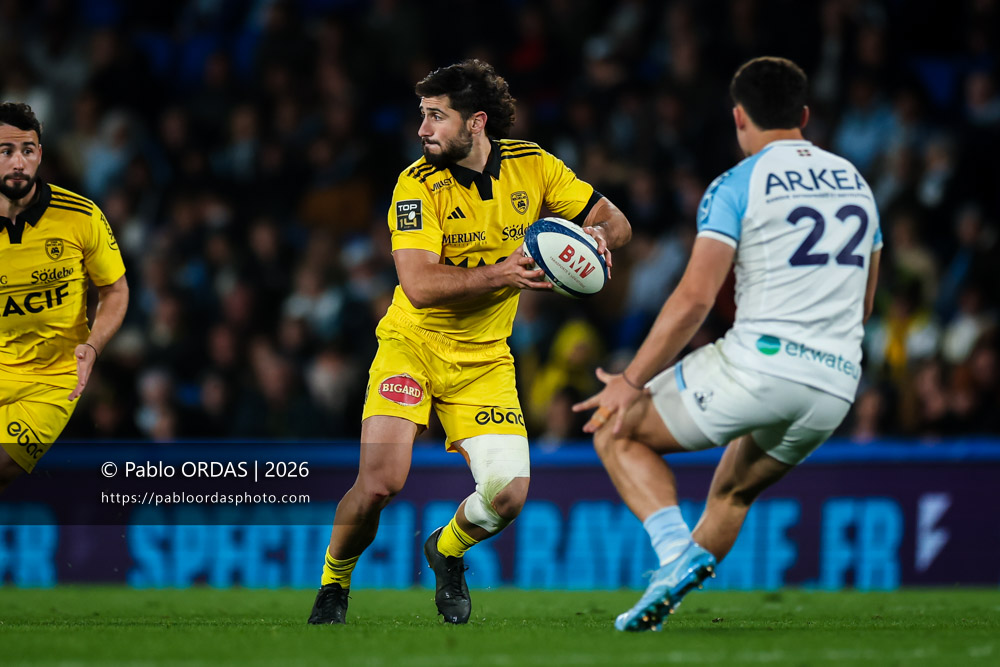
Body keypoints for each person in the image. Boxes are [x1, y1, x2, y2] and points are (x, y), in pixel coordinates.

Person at [308, 59, 631, 625]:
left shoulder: (534, 166)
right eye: (422, 115)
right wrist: (502, 274)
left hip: (485, 359)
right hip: (413, 345)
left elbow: (616, 220)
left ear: (476, 122)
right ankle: (334, 583)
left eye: (436, 116)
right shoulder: (416, 185)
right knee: (381, 483)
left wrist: (598, 236)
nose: (423, 130)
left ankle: (446, 550)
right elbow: (419, 284)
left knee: (509, 496)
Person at [573, 57, 882, 632]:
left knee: (616, 428)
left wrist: (630, 380)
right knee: (733, 493)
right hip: (836, 383)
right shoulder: (857, 185)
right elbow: (863, 306)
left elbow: (693, 299)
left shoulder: (739, 183)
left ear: (739, 117)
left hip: (761, 365)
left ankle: (673, 554)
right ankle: (664, 593)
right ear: (805, 115)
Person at [0, 102, 128, 491]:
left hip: (54, 378)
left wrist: (93, 345)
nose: (18, 162)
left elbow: (116, 290)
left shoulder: (81, 216)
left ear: (40, 154)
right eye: (6, 151)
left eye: (27, 150)